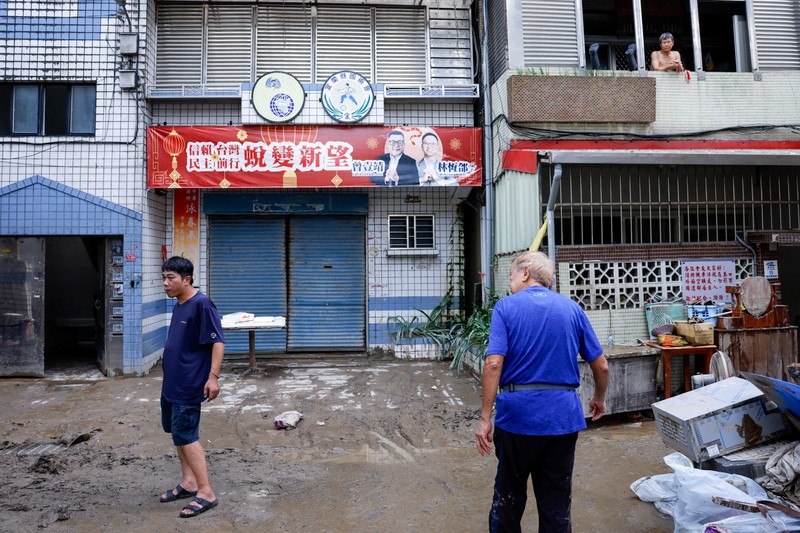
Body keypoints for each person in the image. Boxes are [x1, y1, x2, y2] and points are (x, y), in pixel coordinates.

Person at [475, 251, 609, 532]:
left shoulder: (506, 308)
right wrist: (599, 398)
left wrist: (485, 418)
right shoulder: (571, 309)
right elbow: (602, 366)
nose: (510, 284)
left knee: (509, 499)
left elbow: (493, 363)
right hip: (562, 419)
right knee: (556, 503)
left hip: (517, 418)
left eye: (511, 276)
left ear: (525, 274)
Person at [158, 256, 225, 518]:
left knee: (187, 435)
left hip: (188, 383)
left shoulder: (202, 304)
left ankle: (206, 492)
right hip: (171, 383)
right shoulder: (179, 304)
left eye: (170, 278)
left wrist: (213, 377)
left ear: (187, 279)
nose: (165, 283)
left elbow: (217, 342)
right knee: (178, 434)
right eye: (163, 277)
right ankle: (188, 482)